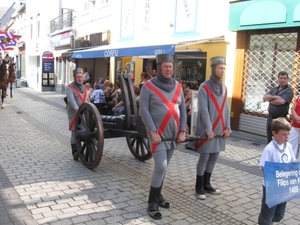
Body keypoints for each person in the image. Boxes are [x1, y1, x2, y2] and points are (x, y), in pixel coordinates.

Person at [139, 54, 187, 220]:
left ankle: (158, 195)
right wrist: (153, 132)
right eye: (165, 66)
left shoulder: (178, 86)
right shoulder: (148, 86)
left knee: (164, 167)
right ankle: (152, 202)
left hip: (172, 136)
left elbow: (182, 112)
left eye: (171, 67)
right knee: (161, 166)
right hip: (157, 135)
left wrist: (182, 131)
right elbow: (143, 110)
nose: (168, 69)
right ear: (159, 68)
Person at [192, 56, 231, 200]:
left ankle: (207, 184)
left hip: (220, 129)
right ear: (213, 68)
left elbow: (226, 109)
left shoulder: (224, 87)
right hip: (209, 128)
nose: (222, 71)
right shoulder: (204, 87)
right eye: (220, 68)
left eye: (224, 68)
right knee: (205, 157)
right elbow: (203, 110)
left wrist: (228, 127)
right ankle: (199, 186)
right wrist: (209, 130)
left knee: (214, 156)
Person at [258, 117, 295, 225]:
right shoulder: (269, 149)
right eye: (284, 134)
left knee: (279, 211)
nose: (287, 137)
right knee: (268, 210)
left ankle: (272, 222)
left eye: (288, 133)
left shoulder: (288, 146)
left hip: (284, 184)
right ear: (274, 133)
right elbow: (264, 167)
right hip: (272, 186)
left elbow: (292, 162)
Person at [66, 68, 90, 160]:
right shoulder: (70, 87)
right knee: (74, 131)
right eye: (78, 77)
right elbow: (71, 99)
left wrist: (91, 109)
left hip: (84, 112)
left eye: (81, 77)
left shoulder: (84, 87)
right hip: (74, 112)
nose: (80, 79)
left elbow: (87, 99)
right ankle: (75, 151)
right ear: (75, 78)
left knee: (84, 129)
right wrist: (76, 107)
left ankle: (81, 148)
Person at [263, 71, 293, 143]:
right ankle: (271, 153)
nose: (282, 80)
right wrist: (276, 97)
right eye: (281, 78)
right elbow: (265, 97)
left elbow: (281, 101)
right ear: (278, 79)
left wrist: (271, 100)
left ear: (287, 79)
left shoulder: (289, 91)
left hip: (281, 119)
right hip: (271, 118)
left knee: (279, 139)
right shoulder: (274, 89)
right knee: (270, 138)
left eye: (284, 78)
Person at [288, 95, 300, 159]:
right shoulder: (298, 97)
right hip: (295, 126)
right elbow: (293, 109)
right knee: (291, 146)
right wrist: (296, 117)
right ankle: (290, 165)